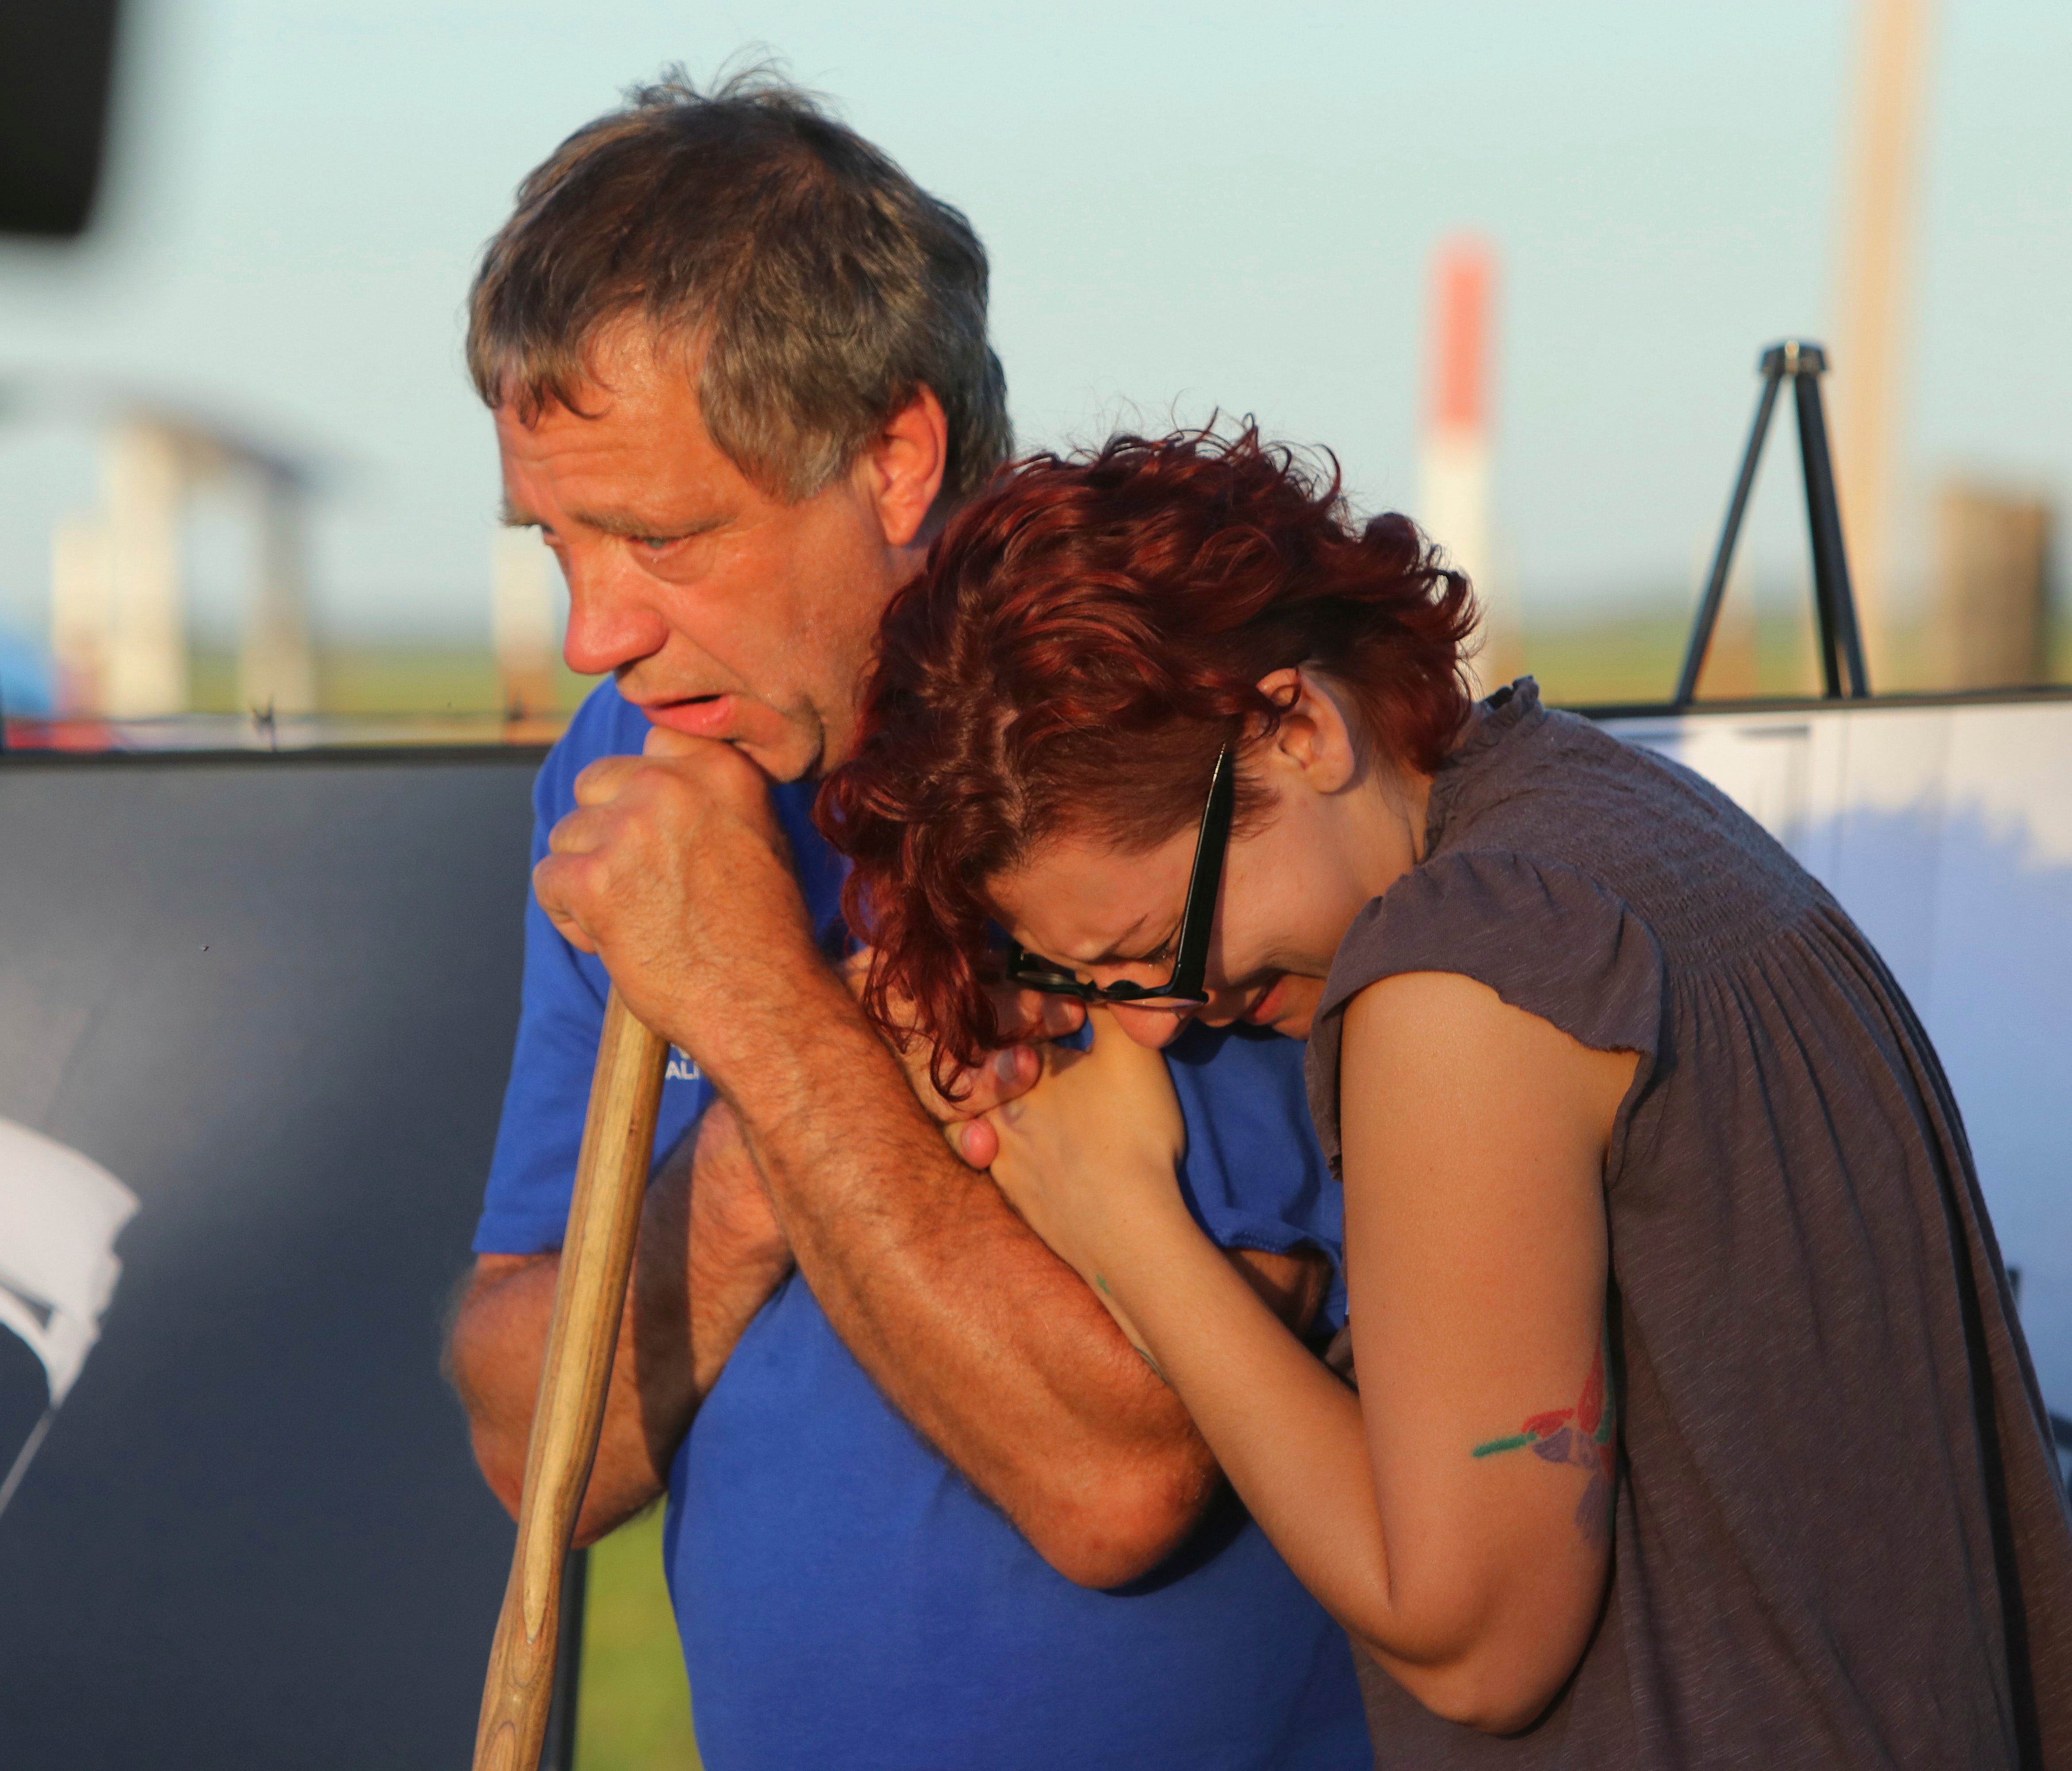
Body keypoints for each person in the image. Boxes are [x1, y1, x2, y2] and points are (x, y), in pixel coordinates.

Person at [818, 424, 2072, 1767]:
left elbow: (1475, 1644)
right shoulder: (1627, 821)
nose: (1172, 1022)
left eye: (1151, 950)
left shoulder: (1462, 975)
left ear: (1294, 725)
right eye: (1089, 978)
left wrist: (1121, 1215)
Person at [441, 72, 1373, 1771]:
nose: (593, 633)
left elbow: (1120, 1477)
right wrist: (738, 1171)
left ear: (893, 455)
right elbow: (535, 1449)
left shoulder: (1134, 734)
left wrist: (768, 1020)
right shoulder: (636, 772)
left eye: (660, 537)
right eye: (554, 540)